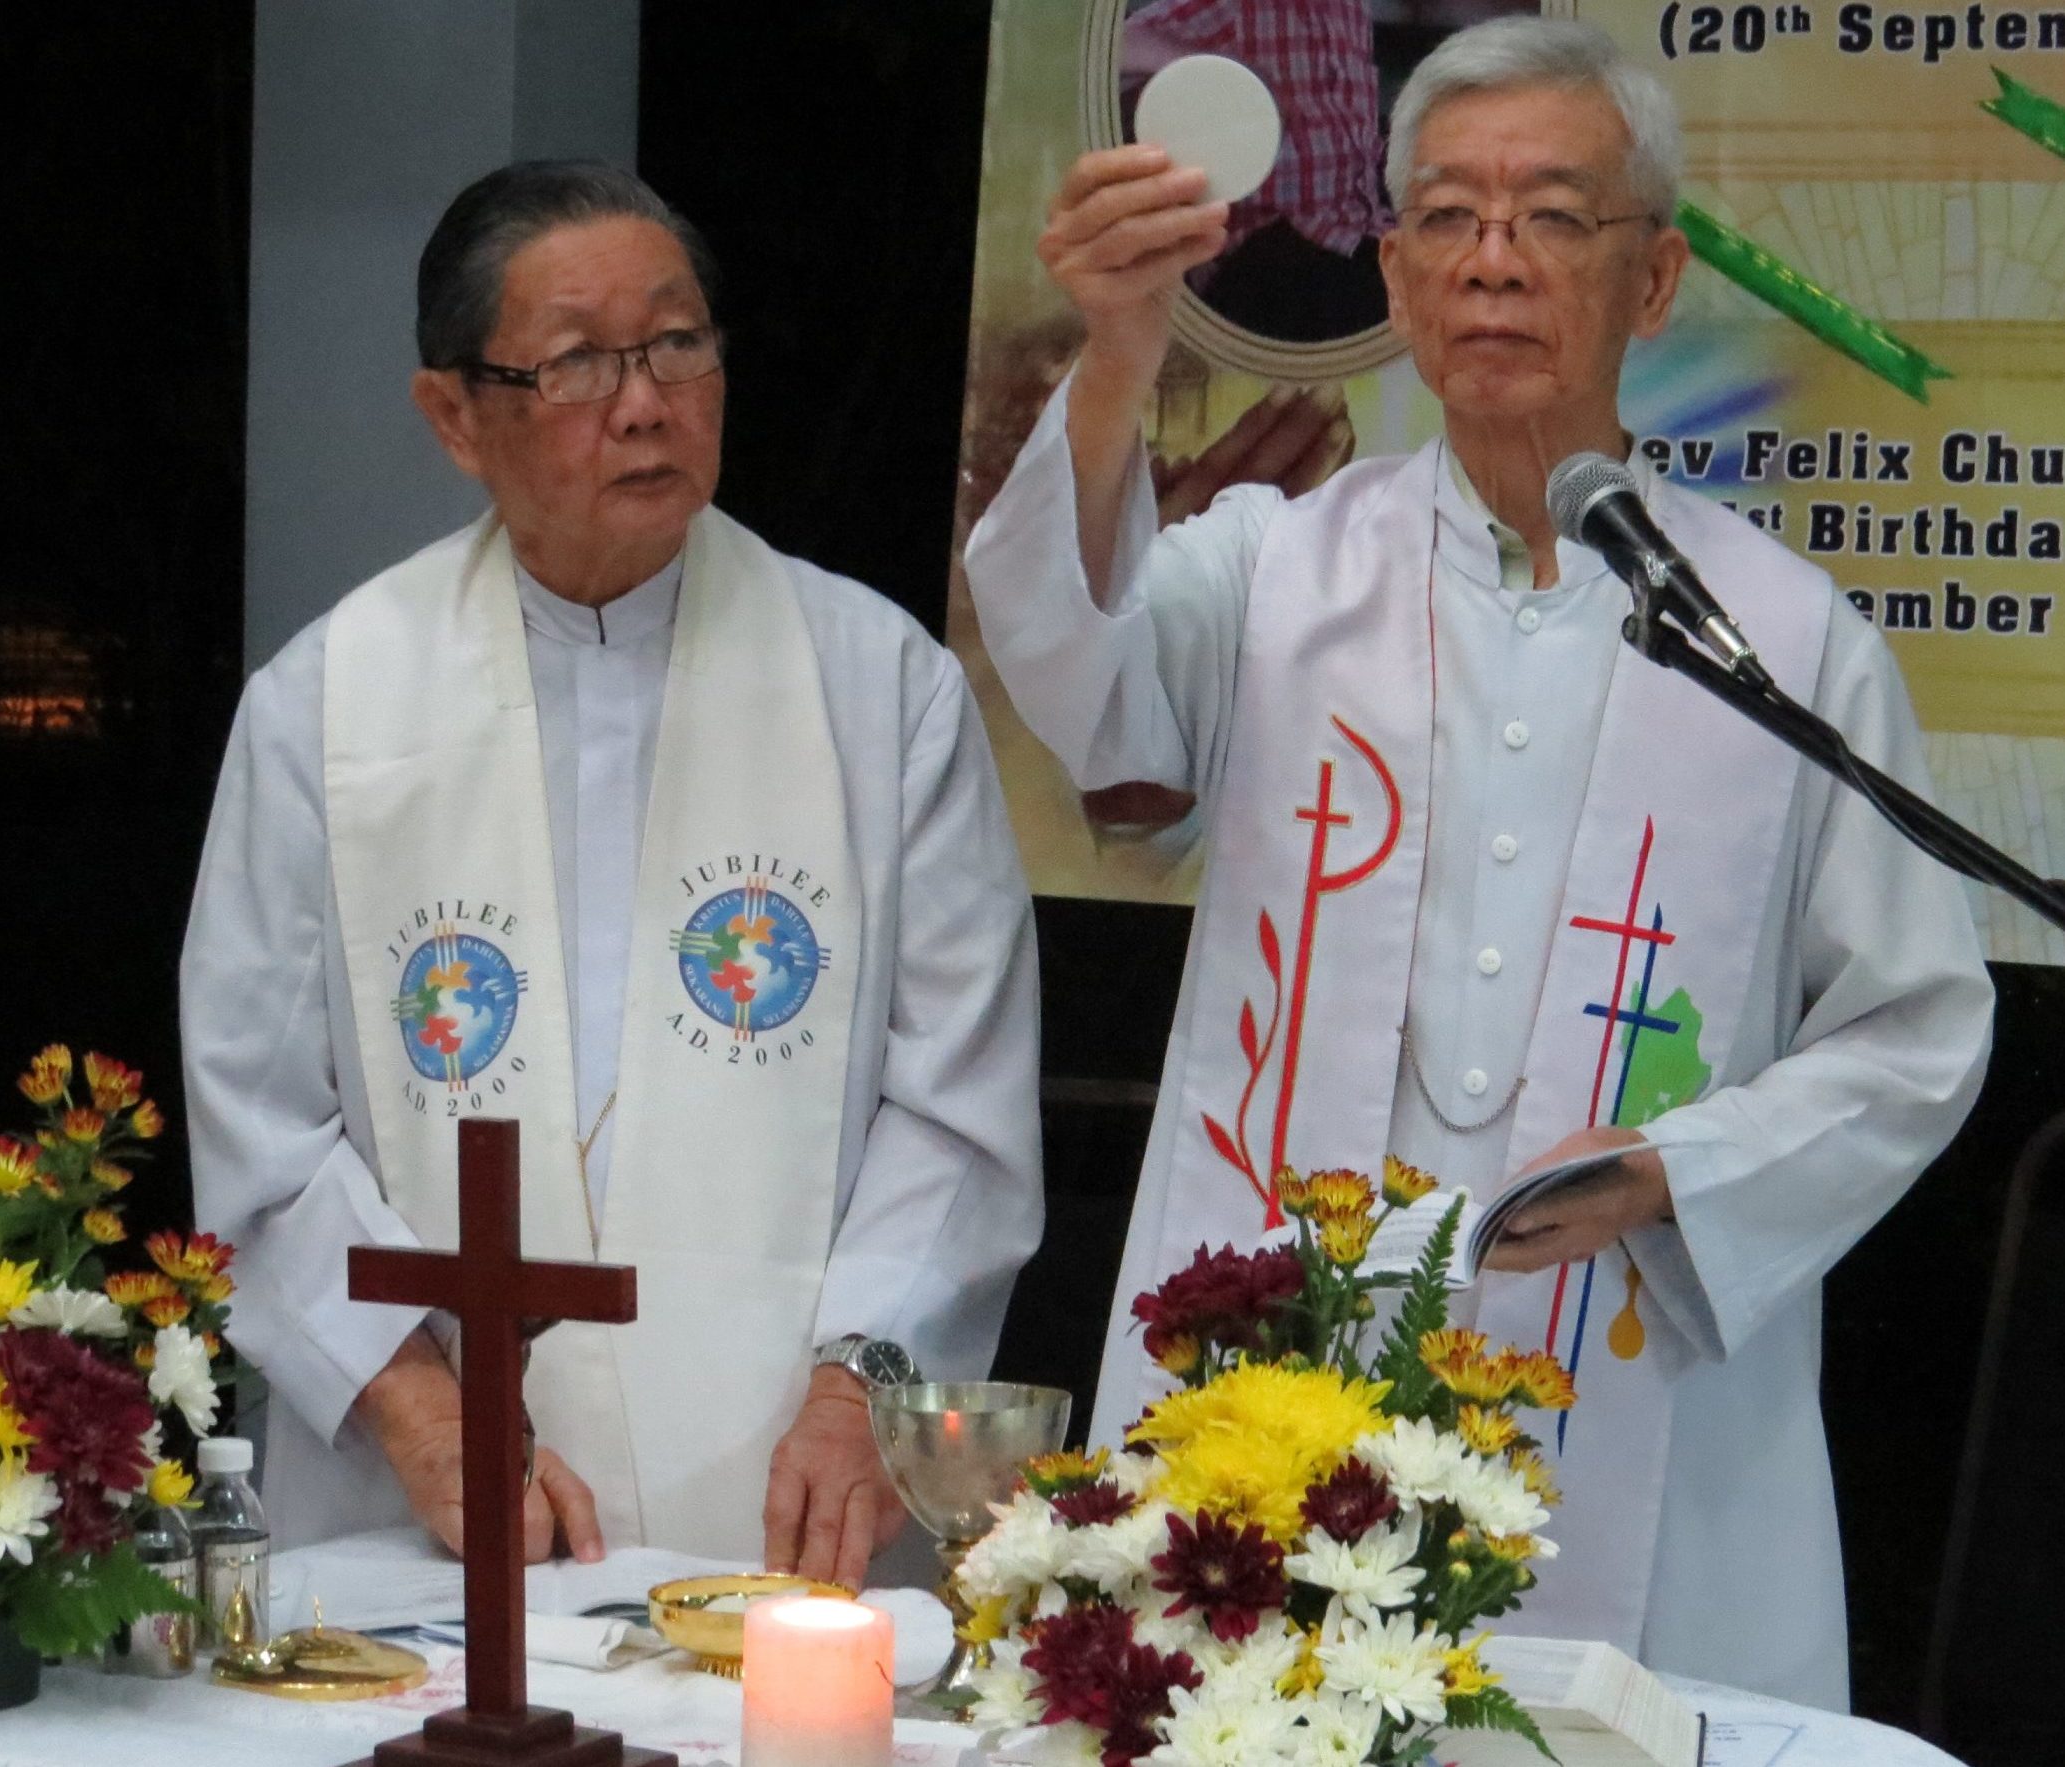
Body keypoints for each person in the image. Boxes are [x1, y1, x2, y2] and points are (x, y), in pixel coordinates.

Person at [962, 17, 1991, 1709]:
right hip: (1290, 1346)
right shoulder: (1276, 568)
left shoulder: (1780, 639)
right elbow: (1083, 680)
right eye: (1445, 217)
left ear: (1651, 281)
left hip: (1620, 1348)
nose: (1491, 262)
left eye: (1550, 219)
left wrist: (1687, 1170)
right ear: (1390, 267)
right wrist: (1119, 356)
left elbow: (1917, 1025)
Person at [183, 160, 1043, 1589]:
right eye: (580, 363)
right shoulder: (326, 702)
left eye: (677, 344)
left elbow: (957, 1102)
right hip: (433, 1501)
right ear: (453, 415)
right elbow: (258, 1119)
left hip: (789, 1482)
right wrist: (413, 1404)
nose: (644, 403)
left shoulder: (874, 686)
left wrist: (861, 1390)